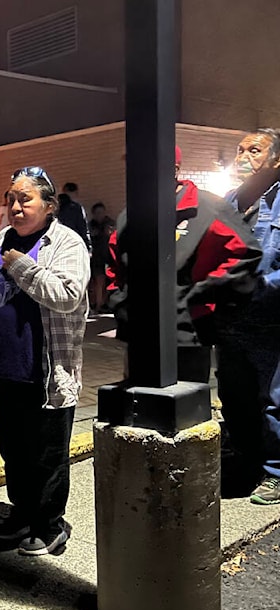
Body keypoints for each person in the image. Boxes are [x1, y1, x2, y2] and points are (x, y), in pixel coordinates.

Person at [0, 166, 89, 557]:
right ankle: (22, 514)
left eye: (26, 199)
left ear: (49, 205)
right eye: (12, 198)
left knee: (47, 452)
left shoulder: (66, 242)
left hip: (44, 369)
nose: (16, 206)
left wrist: (21, 265)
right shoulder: (0, 239)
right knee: (14, 449)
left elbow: (68, 295)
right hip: (4, 367)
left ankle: (49, 524)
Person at [107, 146, 260, 383]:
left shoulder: (208, 207)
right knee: (140, 407)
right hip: (138, 332)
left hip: (188, 333)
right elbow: (115, 266)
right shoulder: (131, 214)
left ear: (173, 170)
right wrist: (121, 303)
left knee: (185, 410)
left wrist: (196, 295)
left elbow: (245, 254)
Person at [220, 128, 280, 503]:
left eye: (254, 150)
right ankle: (247, 458)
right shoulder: (230, 201)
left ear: (276, 160)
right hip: (230, 321)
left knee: (274, 400)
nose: (243, 156)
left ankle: (275, 470)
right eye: (239, 149)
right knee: (234, 395)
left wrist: (257, 287)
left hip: (272, 322)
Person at [87, 202, 113, 314]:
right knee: (98, 282)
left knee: (107, 282)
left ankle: (105, 303)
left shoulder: (110, 224)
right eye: (97, 213)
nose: (100, 215)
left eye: (101, 212)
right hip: (96, 258)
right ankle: (98, 305)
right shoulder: (91, 226)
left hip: (109, 257)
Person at [57, 182, 92, 251]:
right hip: (74, 241)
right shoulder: (76, 207)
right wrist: (87, 245)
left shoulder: (54, 205)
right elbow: (82, 227)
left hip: (59, 242)